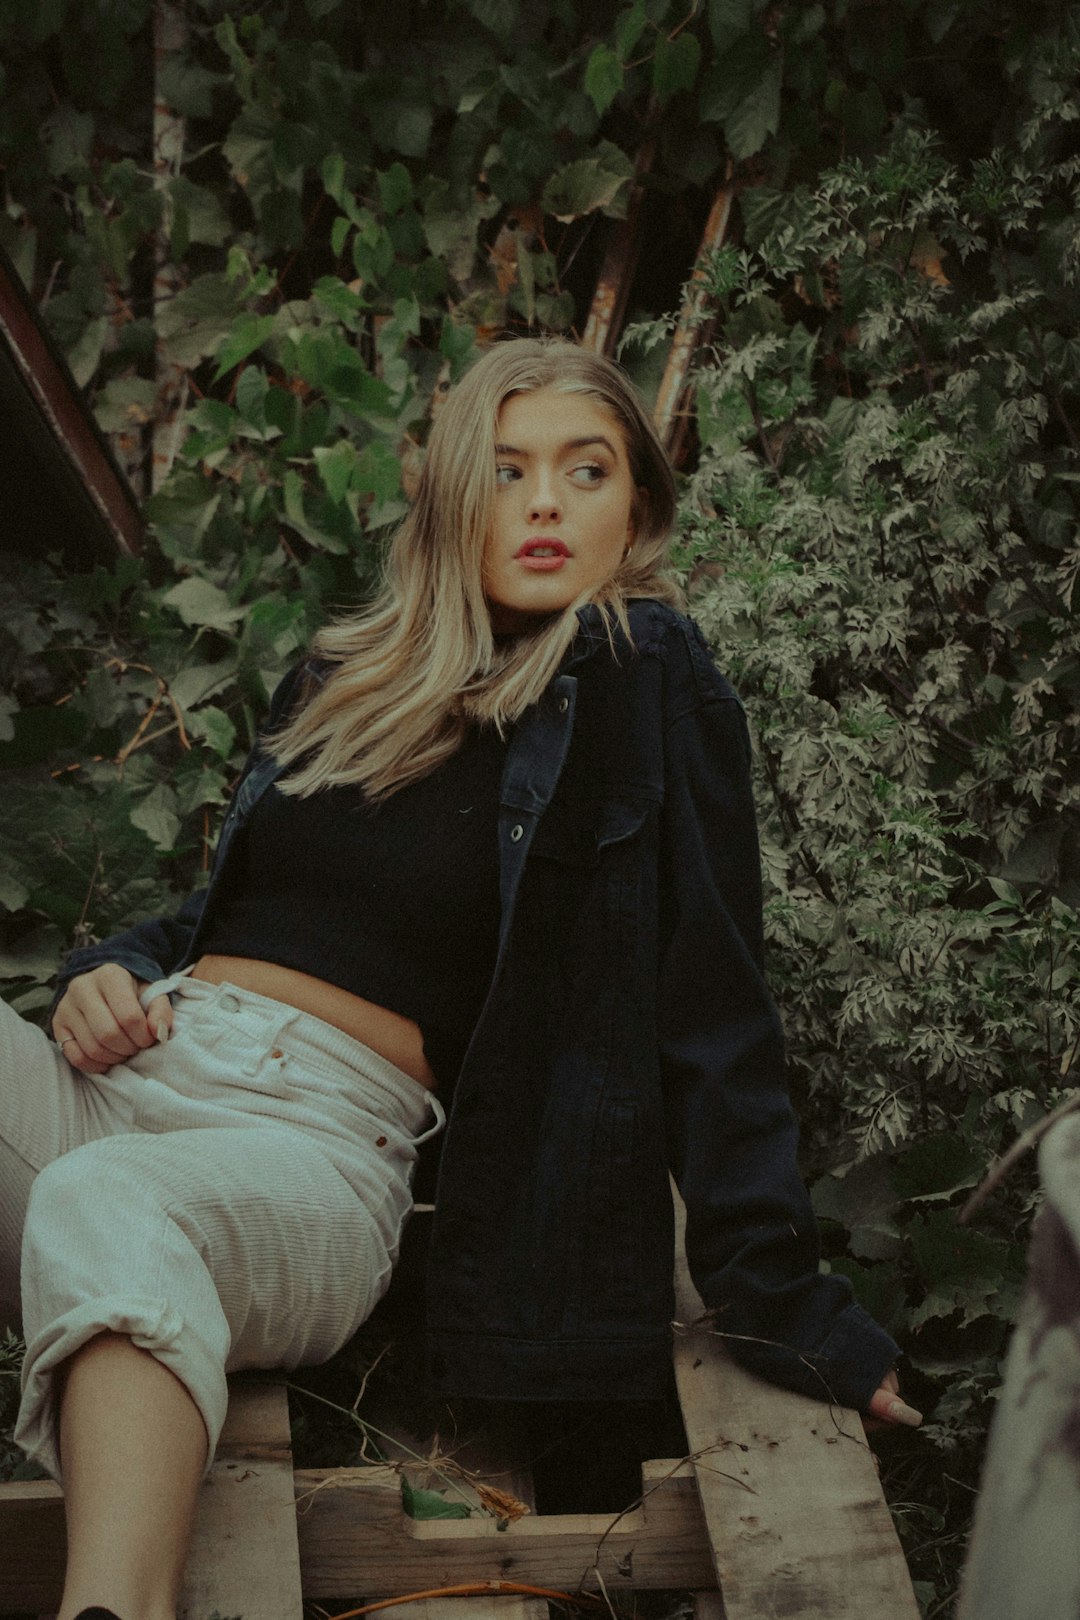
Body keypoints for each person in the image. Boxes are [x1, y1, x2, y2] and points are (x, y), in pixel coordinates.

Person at [0, 337, 920, 1620]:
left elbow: (714, 1003)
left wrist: (791, 1308)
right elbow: (229, 915)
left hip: (310, 1156)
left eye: (583, 470)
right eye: (505, 469)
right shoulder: (343, 680)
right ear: (450, 500)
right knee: (100, 1174)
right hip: (152, 1061)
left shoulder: (644, 683)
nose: (544, 501)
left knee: (111, 1200)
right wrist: (106, 969)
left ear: (636, 507)